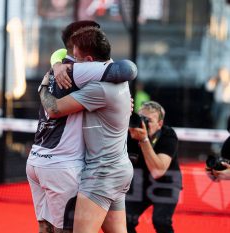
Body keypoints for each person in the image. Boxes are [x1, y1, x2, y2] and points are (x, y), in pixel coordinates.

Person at [26, 22, 137, 233]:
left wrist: (44, 83)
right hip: (118, 168)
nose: (71, 61)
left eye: (75, 58)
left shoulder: (96, 85)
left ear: (88, 61)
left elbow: (55, 109)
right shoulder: (113, 80)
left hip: (100, 172)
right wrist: (56, 64)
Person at [126, 101, 182, 233]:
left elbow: (158, 171)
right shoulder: (129, 133)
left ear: (160, 124)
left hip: (166, 184)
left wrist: (144, 140)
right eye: (141, 119)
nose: (143, 123)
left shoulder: (168, 135)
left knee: (161, 221)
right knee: (124, 219)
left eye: (148, 120)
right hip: (139, 184)